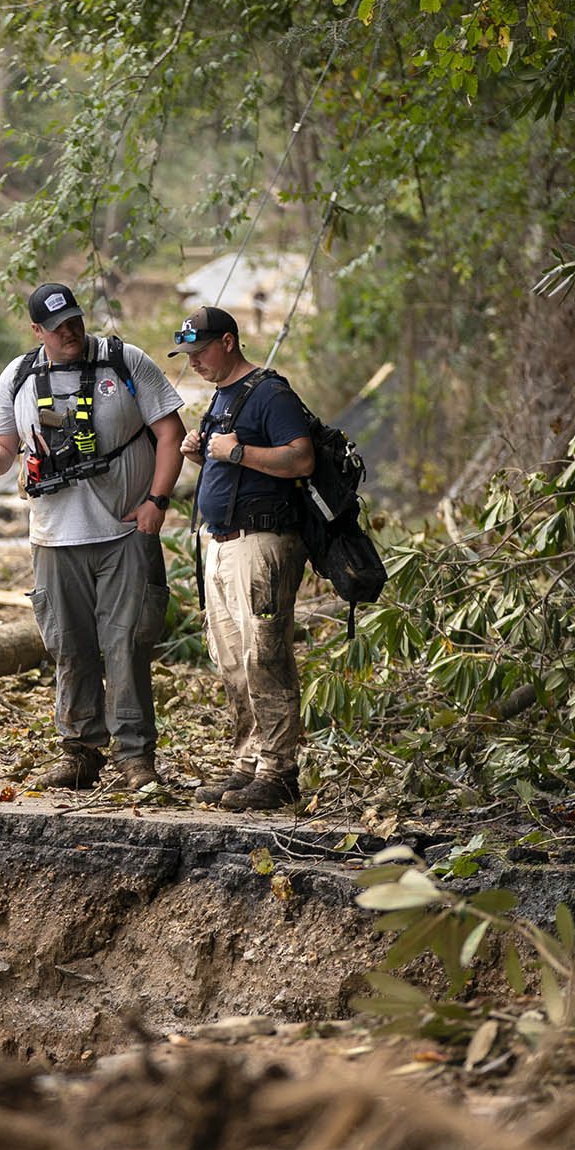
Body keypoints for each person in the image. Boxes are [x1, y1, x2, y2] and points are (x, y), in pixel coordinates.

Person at [0, 282, 186, 790]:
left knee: (127, 643)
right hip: (53, 535)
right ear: (36, 330)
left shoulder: (125, 361)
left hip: (125, 530)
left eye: (75, 320)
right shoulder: (18, 376)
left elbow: (171, 434)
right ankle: (81, 751)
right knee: (69, 645)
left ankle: (135, 757)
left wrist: (157, 501)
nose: (70, 331)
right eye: (58, 325)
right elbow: (3, 452)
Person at [174, 305, 315, 810]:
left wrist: (237, 453)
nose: (194, 361)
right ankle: (247, 763)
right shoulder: (223, 397)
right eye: (187, 354)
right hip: (223, 541)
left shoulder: (272, 393)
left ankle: (279, 771)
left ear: (229, 342)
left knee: (264, 654)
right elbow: (230, 459)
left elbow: (301, 457)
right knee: (231, 657)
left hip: (264, 542)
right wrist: (202, 452)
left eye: (201, 350)